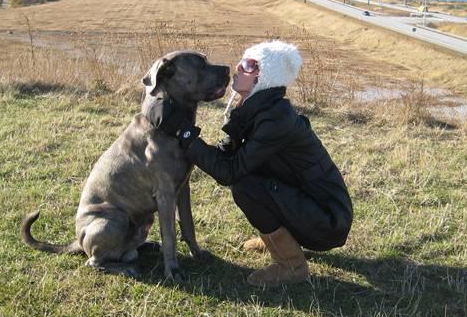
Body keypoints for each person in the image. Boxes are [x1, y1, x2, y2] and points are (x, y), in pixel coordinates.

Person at [146, 40, 353, 287]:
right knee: (252, 182)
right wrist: (185, 130)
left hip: (327, 220)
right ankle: (277, 239)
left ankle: (292, 266)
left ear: (262, 78)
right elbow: (226, 156)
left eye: (248, 65)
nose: (237, 67)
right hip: (310, 206)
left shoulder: (274, 120)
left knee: (246, 187)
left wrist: (185, 133)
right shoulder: (258, 110)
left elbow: (229, 172)